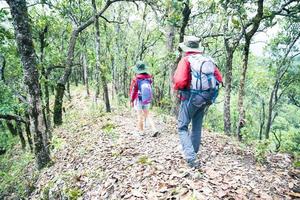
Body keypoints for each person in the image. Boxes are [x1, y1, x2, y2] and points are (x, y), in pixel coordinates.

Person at [173, 36, 223, 168]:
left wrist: (180, 90)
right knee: (196, 126)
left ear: (186, 48)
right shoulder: (207, 60)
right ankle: (193, 152)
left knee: (182, 126)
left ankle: (190, 157)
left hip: (191, 96)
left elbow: (180, 81)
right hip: (206, 97)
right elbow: (219, 78)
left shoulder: (186, 60)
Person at [129, 61, 159, 137]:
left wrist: (132, 100)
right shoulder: (149, 78)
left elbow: (134, 91)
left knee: (139, 115)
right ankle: (154, 129)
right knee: (147, 114)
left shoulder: (136, 79)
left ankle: (141, 131)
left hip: (139, 99)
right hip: (146, 99)